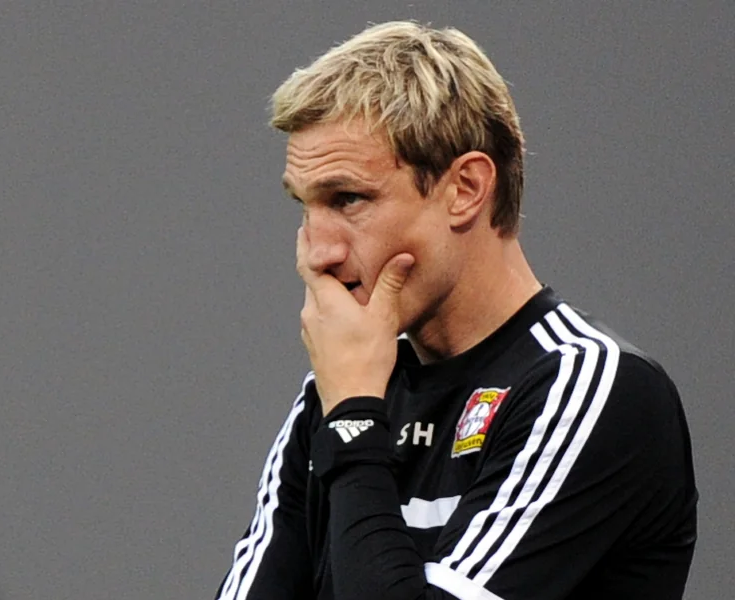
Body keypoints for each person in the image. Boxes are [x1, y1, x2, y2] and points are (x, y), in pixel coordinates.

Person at [214, 20, 697, 600]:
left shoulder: (592, 389)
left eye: (349, 199)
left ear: (465, 189)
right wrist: (348, 410)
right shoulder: (336, 393)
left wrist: (354, 424)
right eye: (306, 206)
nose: (319, 252)